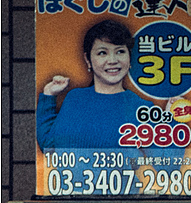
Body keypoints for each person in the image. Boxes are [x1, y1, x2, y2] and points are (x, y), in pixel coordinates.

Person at [36, 18, 168, 154]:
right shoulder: (75, 98)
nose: (112, 60)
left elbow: (167, 165)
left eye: (120, 51)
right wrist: (49, 95)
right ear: (88, 60)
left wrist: (175, 119)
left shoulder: (141, 108)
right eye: (102, 53)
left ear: (129, 58)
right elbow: (48, 146)